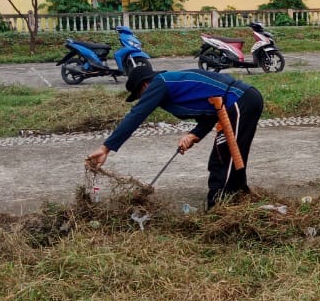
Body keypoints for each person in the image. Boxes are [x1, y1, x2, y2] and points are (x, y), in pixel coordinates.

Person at [85, 61, 264, 208]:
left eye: (140, 95)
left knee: (223, 158)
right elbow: (209, 114)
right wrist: (194, 135)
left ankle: (218, 208)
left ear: (145, 85)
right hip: (238, 104)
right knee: (231, 155)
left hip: (241, 101)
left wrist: (106, 147)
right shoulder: (170, 91)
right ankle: (239, 197)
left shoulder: (160, 82)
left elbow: (137, 115)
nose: (143, 99)